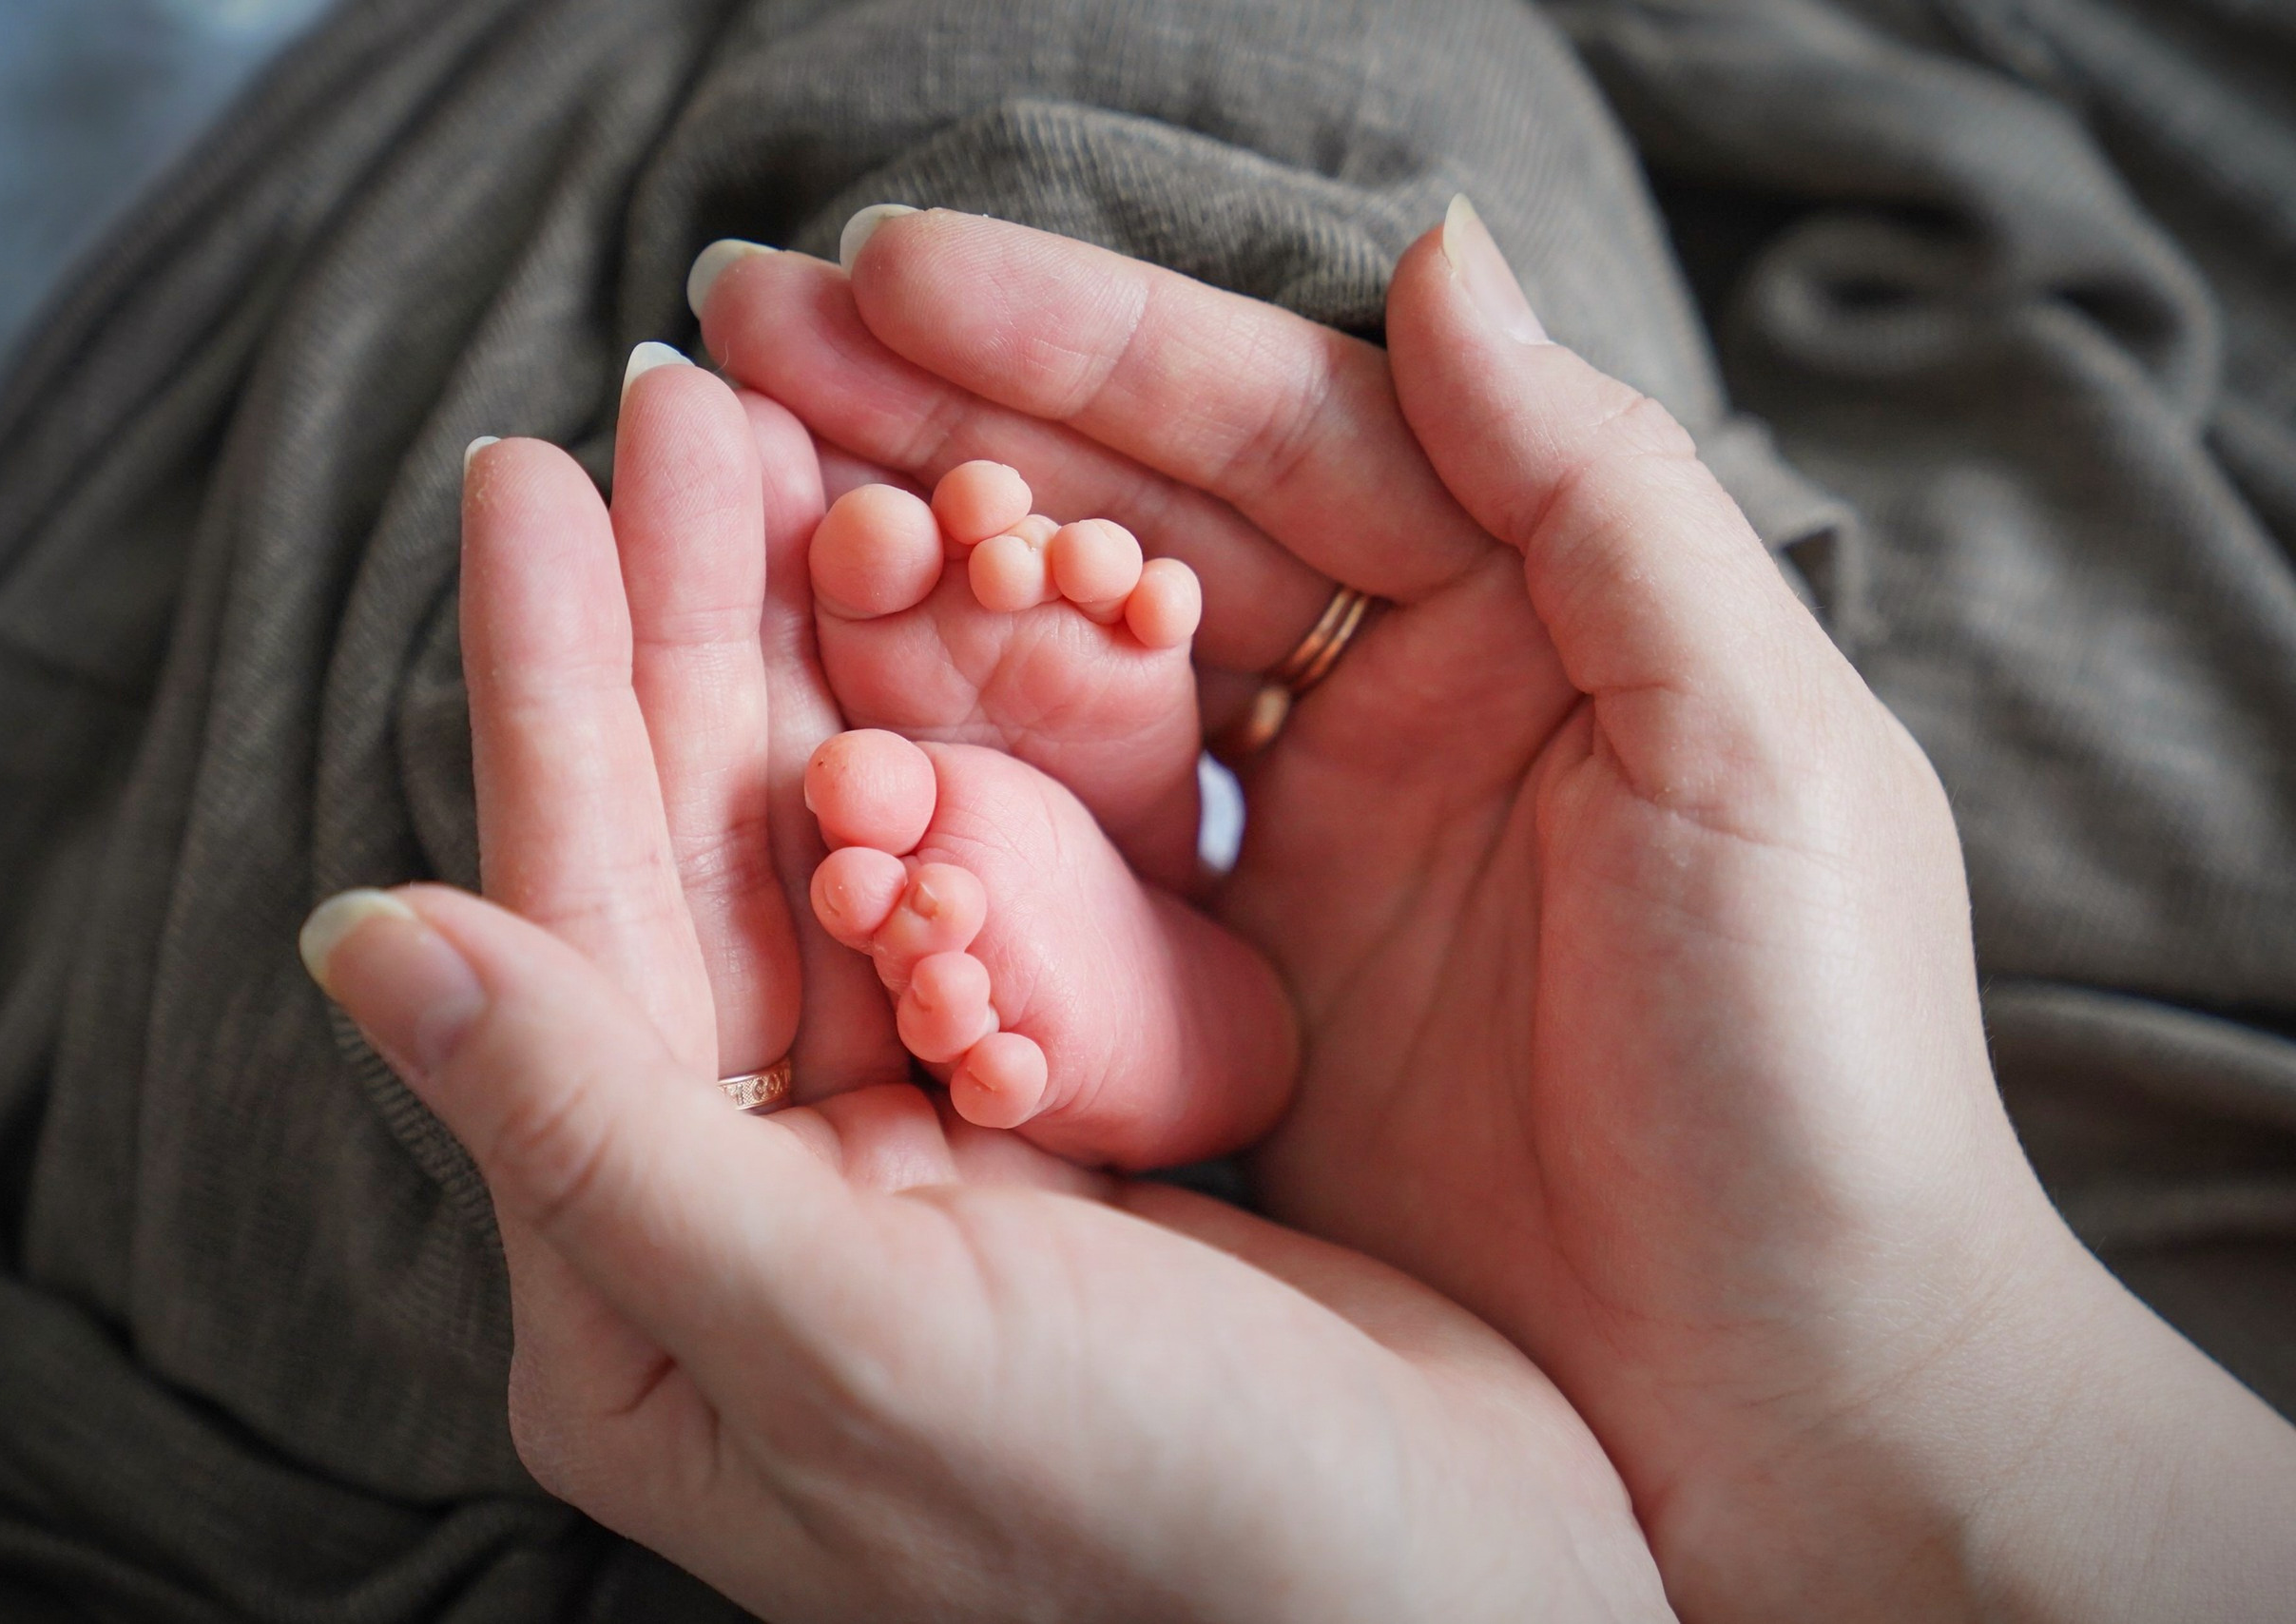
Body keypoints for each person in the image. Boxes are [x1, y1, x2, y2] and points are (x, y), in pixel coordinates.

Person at [298, 199, 2296, 1620]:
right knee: (1279, 236)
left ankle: (1184, 1015)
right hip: (1424, 780)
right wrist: (1909, 1383)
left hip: (1346, 1150)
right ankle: (1179, 959)